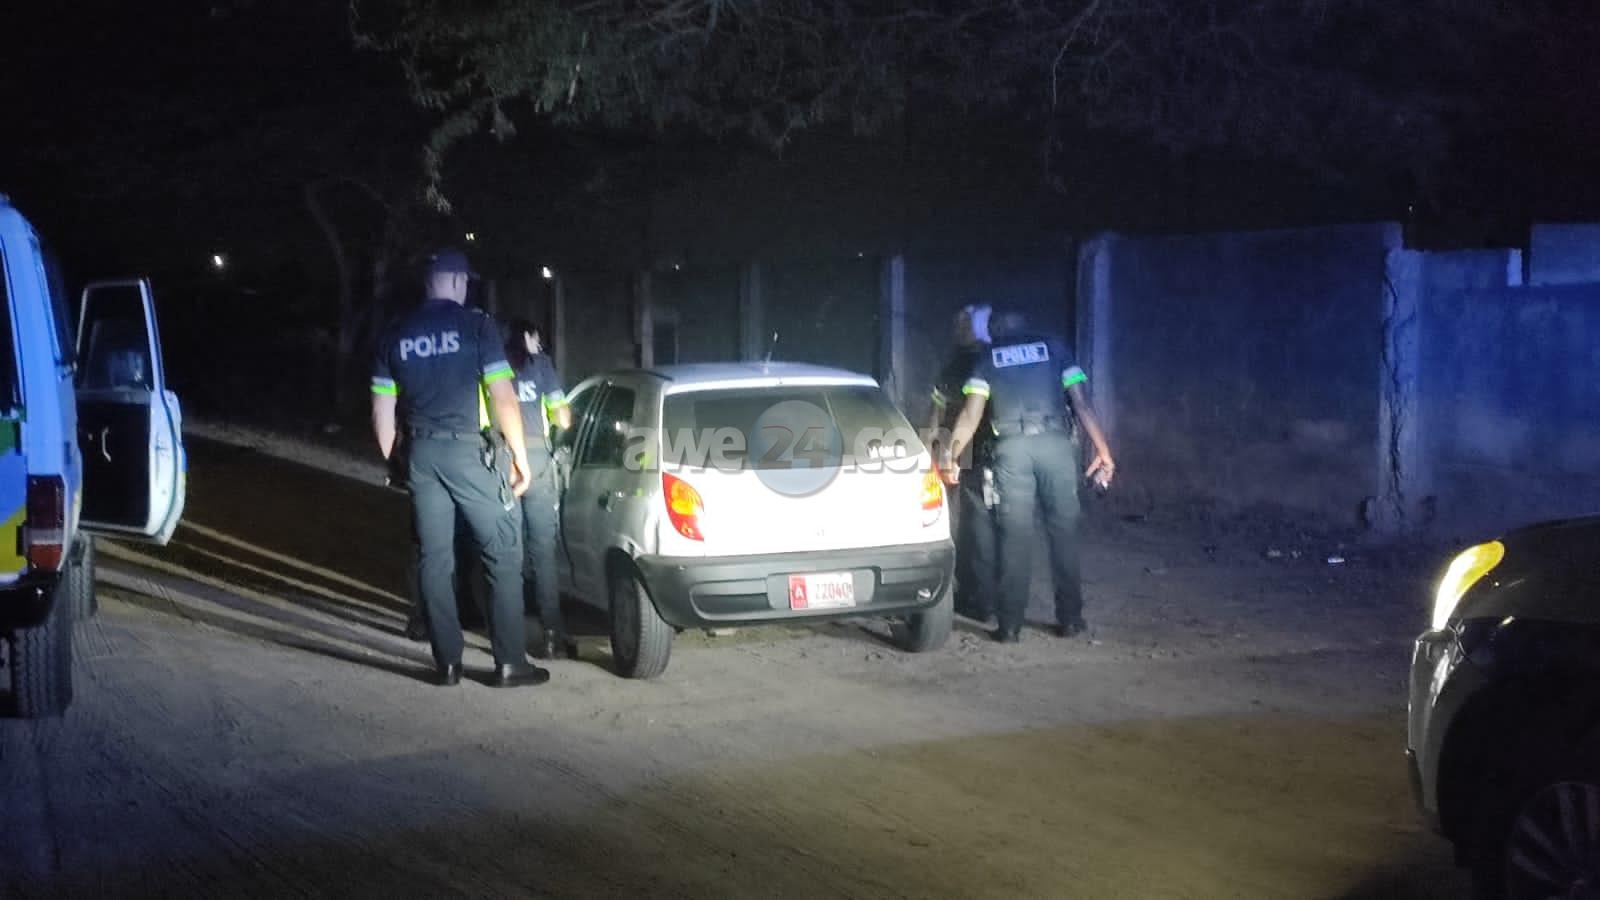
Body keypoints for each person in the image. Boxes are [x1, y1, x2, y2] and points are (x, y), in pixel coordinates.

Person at [370, 248, 548, 687]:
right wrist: (521, 459)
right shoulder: (476, 326)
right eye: (465, 280)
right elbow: (504, 398)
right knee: (502, 551)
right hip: (469, 452)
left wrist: (397, 461)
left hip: (422, 456)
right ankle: (510, 662)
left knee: (434, 560)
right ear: (454, 281)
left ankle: (447, 663)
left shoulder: (394, 333)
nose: (468, 287)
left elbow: (381, 413)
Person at [947, 310, 1116, 643]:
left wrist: (951, 456)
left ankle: (1010, 626)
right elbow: (1081, 404)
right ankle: (1070, 619)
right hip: (1056, 448)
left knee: (1015, 537)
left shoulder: (987, 358)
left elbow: (970, 415)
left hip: (1012, 451)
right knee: (1064, 534)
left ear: (994, 332)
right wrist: (1103, 450)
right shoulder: (1055, 348)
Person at [505, 319, 576, 660]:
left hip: (503, 462)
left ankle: (509, 634)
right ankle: (551, 635)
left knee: (508, 553)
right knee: (543, 553)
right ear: (528, 337)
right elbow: (563, 418)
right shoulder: (542, 366)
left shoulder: (492, 366)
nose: (540, 345)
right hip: (536, 460)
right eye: (538, 339)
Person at [928, 303, 998, 622]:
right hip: (959, 451)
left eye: (963, 324)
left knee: (977, 527)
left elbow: (951, 413)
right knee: (964, 526)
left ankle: (981, 599)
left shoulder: (982, 360)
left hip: (976, 452)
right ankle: (970, 591)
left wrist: (944, 451)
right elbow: (937, 408)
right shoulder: (958, 360)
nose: (957, 329)